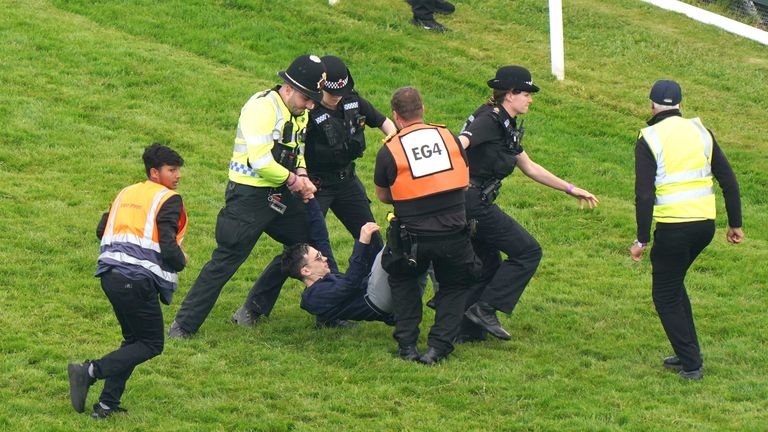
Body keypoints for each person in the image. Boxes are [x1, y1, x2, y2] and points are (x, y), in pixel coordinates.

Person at [168, 55, 323, 338]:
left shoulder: (300, 110)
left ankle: (314, 312)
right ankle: (183, 326)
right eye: (307, 98)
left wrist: (301, 173)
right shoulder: (261, 108)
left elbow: (297, 148)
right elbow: (260, 161)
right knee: (226, 260)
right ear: (288, 88)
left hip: (279, 193)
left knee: (308, 247)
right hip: (248, 198)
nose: (311, 105)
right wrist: (295, 181)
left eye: (314, 100)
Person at [457, 66, 599, 343]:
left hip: (472, 201)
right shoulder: (489, 120)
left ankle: (466, 330)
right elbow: (456, 145)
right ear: (510, 95)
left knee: (488, 265)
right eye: (527, 93)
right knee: (528, 251)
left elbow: (529, 167)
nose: (531, 99)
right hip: (472, 202)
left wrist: (570, 189)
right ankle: (485, 310)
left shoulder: (504, 123)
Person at [630, 79, 743, 380]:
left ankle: (692, 364)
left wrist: (641, 239)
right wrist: (735, 224)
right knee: (674, 284)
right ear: (680, 104)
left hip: (674, 229)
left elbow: (644, 195)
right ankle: (686, 354)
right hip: (704, 227)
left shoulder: (649, 138)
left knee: (664, 295)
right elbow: (729, 181)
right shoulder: (701, 131)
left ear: (652, 105)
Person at [68, 144, 188, 419]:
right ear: (155, 173)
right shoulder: (168, 198)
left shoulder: (126, 192)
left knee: (134, 340)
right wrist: (181, 259)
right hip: (137, 281)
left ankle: (107, 405)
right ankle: (89, 371)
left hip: (110, 276)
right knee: (151, 344)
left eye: (178, 169)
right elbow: (169, 247)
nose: (178, 175)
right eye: (172, 170)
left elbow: (102, 229)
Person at [374, 86, 478, 365]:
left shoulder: (390, 150)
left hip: (412, 237)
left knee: (405, 282)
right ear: (423, 110)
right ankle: (438, 348)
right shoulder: (450, 138)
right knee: (454, 286)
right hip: (455, 232)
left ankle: (407, 345)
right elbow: (465, 179)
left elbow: (383, 195)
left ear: (396, 116)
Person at [303, 55, 395, 265]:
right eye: (331, 93)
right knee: (306, 245)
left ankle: (375, 287)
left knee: (372, 239)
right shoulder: (307, 111)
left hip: (347, 182)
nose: (337, 97)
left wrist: (395, 145)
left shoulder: (352, 100)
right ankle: (325, 286)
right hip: (317, 185)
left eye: (340, 92)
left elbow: (383, 122)